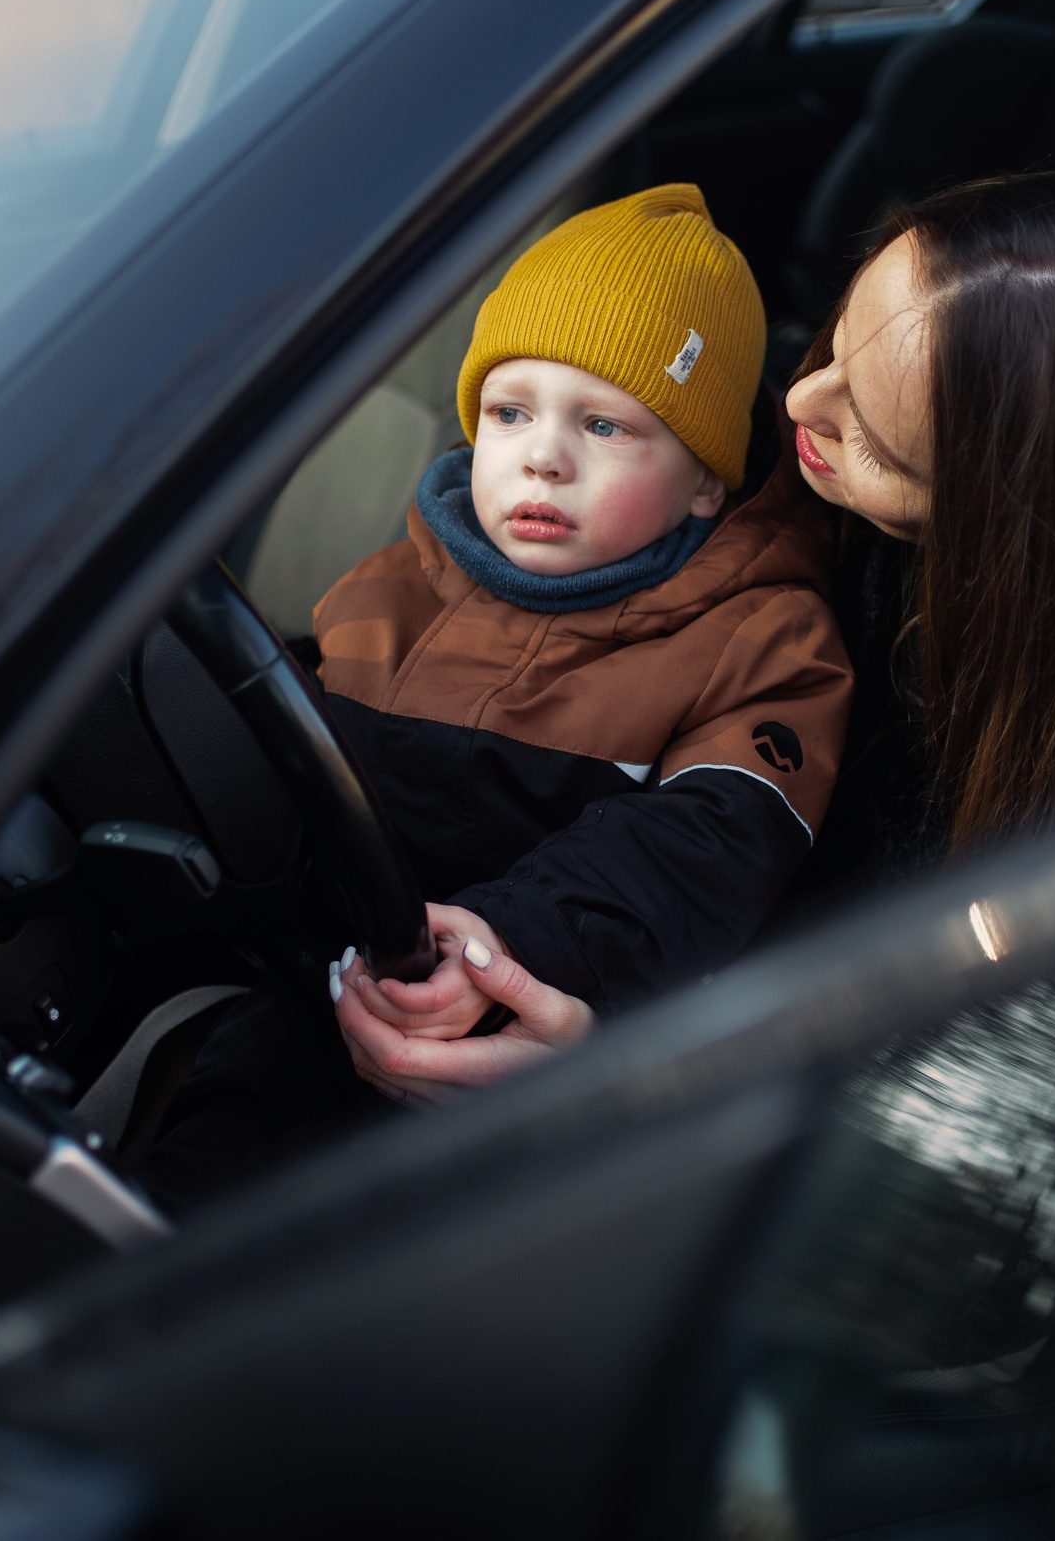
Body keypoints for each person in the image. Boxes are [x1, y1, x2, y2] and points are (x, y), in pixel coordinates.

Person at [338, 167, 1055, 1096]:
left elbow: (909, 1102)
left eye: (875, 434)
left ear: (1005, 524)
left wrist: (617, 1072)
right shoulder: (758, 487)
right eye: (836, 340)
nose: (798, 400)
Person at [138, 183, 853, 1208]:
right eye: (510, 411)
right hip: (322, 999)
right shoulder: (391, 586)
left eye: (604, 424)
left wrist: (503, 942)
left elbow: (701, 846)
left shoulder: (761, 638)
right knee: (206, 1153)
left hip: (539, 1045)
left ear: (706, 479)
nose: (543, 456)